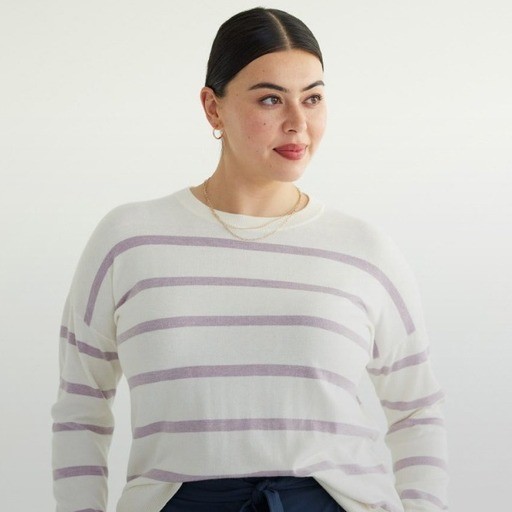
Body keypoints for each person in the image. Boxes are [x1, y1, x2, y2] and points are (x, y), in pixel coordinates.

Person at [51, 7, 448, 512]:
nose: (298, 124)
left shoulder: (363, 249)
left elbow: (416, 409)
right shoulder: (129, 240)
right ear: (212, 109)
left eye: (313, 98)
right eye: (270, 99)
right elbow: (81, 408)